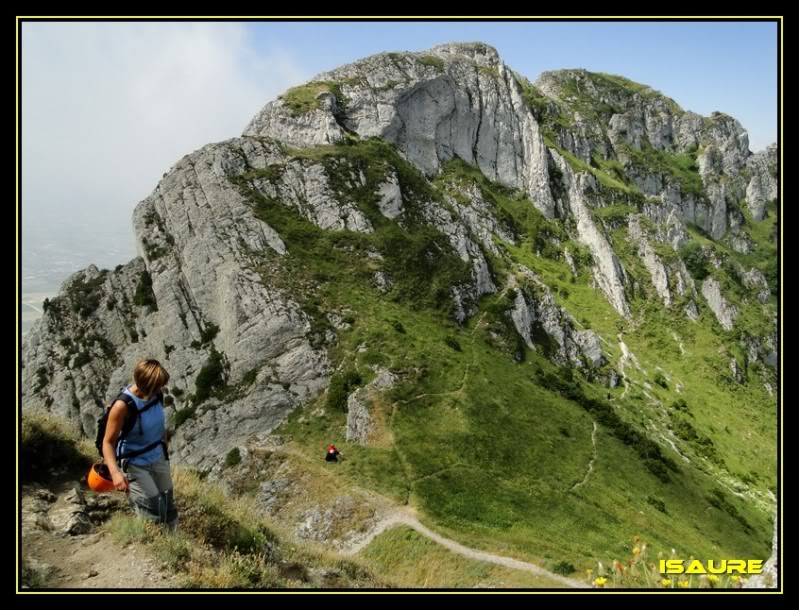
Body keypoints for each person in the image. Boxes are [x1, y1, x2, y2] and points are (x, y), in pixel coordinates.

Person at [102, 359, 177, 529]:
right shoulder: (123, 406)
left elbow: (159, 425)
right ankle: (154, 547)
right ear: (147, 385)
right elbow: (108, 442)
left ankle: (176, 542)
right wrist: (115, 474)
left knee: (168, 505)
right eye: (157, 386)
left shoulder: (156, 395)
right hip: (135, 464)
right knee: (151, 510)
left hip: (158, 458)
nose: (161, 389)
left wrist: (164, 448)